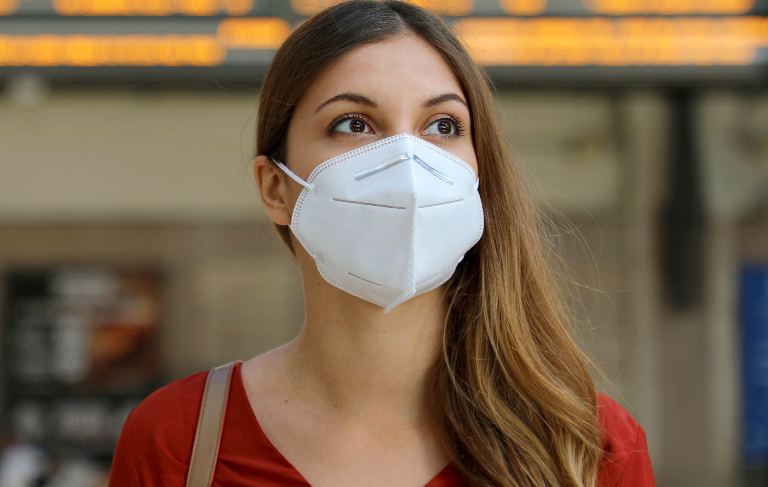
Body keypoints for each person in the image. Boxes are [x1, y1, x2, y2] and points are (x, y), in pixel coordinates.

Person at [109, 2, 654, 486]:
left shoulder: (587, 448)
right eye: (354, 124)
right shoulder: (178, 440)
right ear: (276, 188)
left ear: (479, 175)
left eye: (442, 126)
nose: (407, 168)